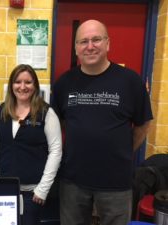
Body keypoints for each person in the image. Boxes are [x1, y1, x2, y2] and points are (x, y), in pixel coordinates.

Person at [51, 19, 153, 225]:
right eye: (83, 41)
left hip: (116, 183)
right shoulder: (64, 83)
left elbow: (143, 125)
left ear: (108, 43)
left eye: (96, 39)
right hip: (73, 181)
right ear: (76, 48)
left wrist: (122, 151)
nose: (90, 46)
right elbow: (58, 125)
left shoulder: (130, 81)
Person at [0, 64, 62, 225]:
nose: (22, 87)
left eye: (28, 82)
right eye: (17, 82)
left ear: (35, 85)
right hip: (5, 188)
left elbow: (56, 151)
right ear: (11, 85)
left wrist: (42, 189)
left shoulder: (46, 113)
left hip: (32, 193)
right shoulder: (2, 110)